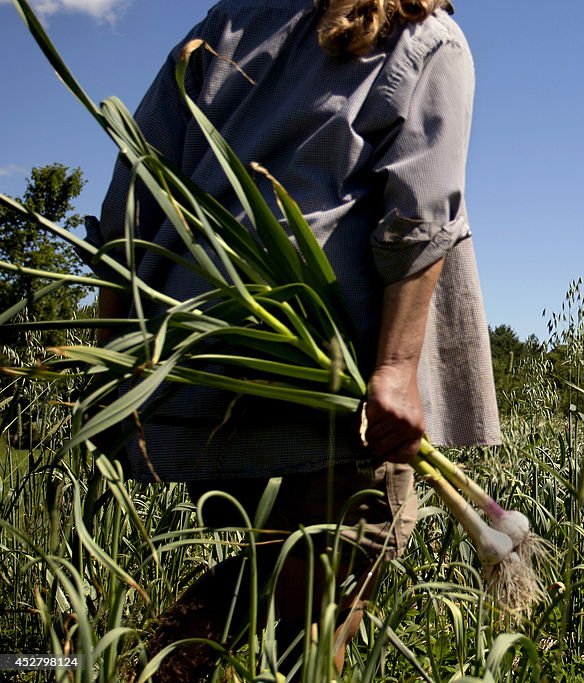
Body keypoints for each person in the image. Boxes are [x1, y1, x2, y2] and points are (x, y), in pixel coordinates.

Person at [86, 0, 500, 678]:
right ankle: (144, 672)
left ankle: (141, 667)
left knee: (280, 558)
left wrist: (113, 346)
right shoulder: (427, 39)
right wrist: (395, 367)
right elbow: (421, 216)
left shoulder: (231, 21)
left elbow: (133, 186)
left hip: (218, 360)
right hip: (335, 370)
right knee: (330, 587)